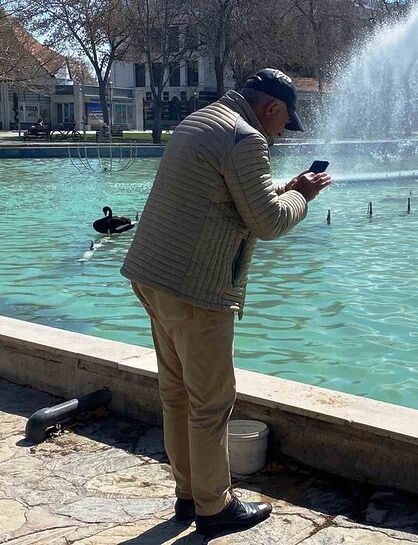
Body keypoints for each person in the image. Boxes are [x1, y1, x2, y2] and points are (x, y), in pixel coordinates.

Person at [120, 68, 331, 536]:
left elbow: (234, 197)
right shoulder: (246, 138)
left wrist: (287, 186)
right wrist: (305, 197)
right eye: (284, 121)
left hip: (152, 276)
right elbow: (268, 223)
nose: (282, 131)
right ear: (270, 107)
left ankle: (188, 494)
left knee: (177, 396)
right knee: (212, 403)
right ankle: (214, 508)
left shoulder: (202, 121)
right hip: (196, 288)